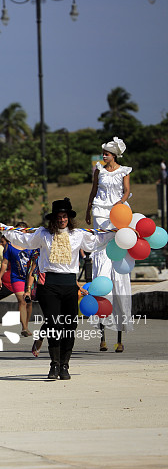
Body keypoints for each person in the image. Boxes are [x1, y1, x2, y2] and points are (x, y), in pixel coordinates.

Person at [0, 198, 114, 380]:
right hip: (49, 286)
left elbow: (96, 241)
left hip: (70, 285)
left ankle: (65, 365)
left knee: (70, 327)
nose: (62, 219)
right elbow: (23, 238)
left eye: (65, 216)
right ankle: (54, 365)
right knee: (54, 325)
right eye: (59, 216)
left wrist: (117, 233)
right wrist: (2, 227)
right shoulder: (43, 234)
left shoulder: (78, 234)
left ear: (69, 218)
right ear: (53, 219)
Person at [85, 136, 133, 353]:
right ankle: (102, 335)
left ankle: (120, 336)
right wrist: (88, 209)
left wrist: (120, 204)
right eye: (103, 152)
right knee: (100, 268)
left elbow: (125, 191)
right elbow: (94, 190)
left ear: (114, 155)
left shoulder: (124, 170)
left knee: (119, 275)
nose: (104, 155)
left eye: (107, 152)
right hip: (99, 211)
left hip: (117, 211)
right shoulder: (99, 170)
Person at [0, 222, 37, 337]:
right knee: (22, 301)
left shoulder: (32, 246)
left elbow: (35, 262)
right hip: (16, 278)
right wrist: (0, 278)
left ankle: (26, 324)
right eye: (18, 231)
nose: (20, 233)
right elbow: (4, 263)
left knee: (29, 302)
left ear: (27, 232)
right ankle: (24, 328)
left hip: (30, 278)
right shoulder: (10, 246)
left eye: (22, 231)